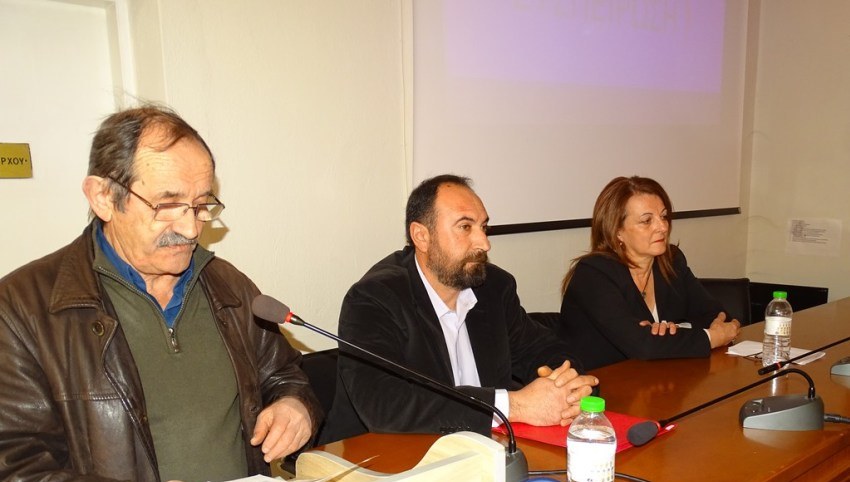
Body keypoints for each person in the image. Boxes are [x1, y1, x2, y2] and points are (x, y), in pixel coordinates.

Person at [0, 105, 322, 481]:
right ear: (103, 197)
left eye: (201, 205)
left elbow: (284, 376)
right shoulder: (22, 307)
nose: (190, 229)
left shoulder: (227, 285)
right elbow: (15, 464)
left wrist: (296, 406)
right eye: (167, 205)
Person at [321, 174, 598, 443]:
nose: (484, 243)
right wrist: (515, 406)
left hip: (481, 450)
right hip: (379, 457)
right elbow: (384, 403)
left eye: (483, 227)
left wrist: (566, 385)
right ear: (421, 236)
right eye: (465, 227)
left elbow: (544, 348)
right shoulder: (374, 298)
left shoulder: (493, 288)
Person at [558, 175, 741, 371]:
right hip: (600, 383)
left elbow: (719, 317)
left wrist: (676, 331)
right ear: (617, 231)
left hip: (659, 378)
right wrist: (710, 337)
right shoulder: (594, 274)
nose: (662, 227)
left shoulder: (671, 261)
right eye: (647, 221)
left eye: (663, 216)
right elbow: (643, 345)